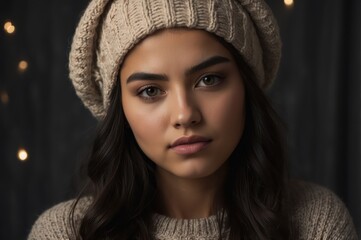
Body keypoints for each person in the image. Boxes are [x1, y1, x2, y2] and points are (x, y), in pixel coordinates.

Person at [28, 0, 358, 239]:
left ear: (246, 87)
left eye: (209, 80)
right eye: (150, 91)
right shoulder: (65, 233)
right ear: (121, 110)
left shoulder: (315, 223)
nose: (185, 114)